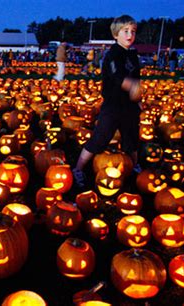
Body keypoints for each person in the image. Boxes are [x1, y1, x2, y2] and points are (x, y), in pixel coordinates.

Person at [72, 15, 142, 188]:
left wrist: (138, 99)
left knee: (132, 139)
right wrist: (132, 86)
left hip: (130, 106)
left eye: (133, 31)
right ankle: (78, 168)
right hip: (113, 105)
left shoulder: (132, 55)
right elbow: (117, 76)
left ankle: (135, 166)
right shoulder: (113, 55)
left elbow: (136, 77)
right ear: (116, 34)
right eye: (125, 31)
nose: (129, 35)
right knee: (100, 138)